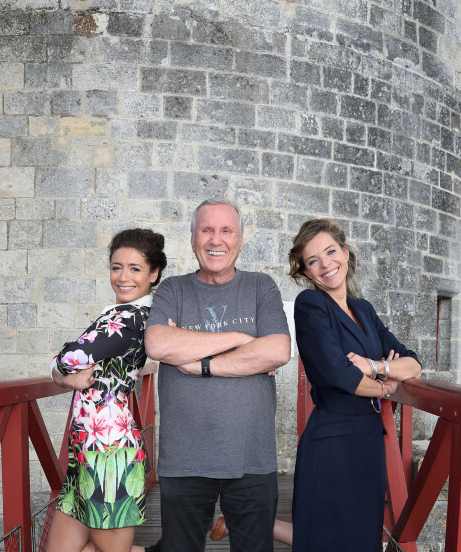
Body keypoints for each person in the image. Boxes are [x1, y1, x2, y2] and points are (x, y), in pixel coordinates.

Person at [143, 197, 291, 552]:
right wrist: (242, 341)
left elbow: (277, 351)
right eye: (206, 230)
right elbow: (157, 343)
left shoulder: (260, 286)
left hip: (251, 458)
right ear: (193, 237)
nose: (216, 240)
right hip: (184, 460)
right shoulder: (172, 289)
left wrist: (202, 363)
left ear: (239, 239)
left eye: (226, 230)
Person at [288, 219, 421, 552]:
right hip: (332, 441)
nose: (325, 264)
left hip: (368, 440)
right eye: (312, 260)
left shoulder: (364, 309)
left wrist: (377, 366)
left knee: (364, 536)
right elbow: (338, 373)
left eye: (331, 251)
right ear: (306, 272)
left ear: (346, 253)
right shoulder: (311, 305)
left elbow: (413, 363)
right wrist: (384, 386)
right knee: (325, 538)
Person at [46, 228, 167, 552]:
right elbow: (70, 365)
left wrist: (60, 374)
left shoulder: (130, 318)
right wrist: (64, 377)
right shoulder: (115, 314)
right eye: (117, 267)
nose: (123, 277)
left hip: (110, 456)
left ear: (154, 274)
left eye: (135, 268)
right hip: (85, 453)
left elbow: (70, 357)